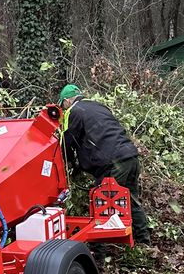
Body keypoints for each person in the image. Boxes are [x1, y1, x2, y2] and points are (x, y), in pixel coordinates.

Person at [58, 84, 151, 245]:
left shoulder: (73, 112)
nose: (63, 108)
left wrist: (65, 163)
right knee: (131, 200)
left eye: (62, 105)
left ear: (66, 101)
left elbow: (67, 141)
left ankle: (100, 251)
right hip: (130, 156)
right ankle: (143, 242)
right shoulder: (99, 106)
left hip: (113, 163)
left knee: (103, 204)